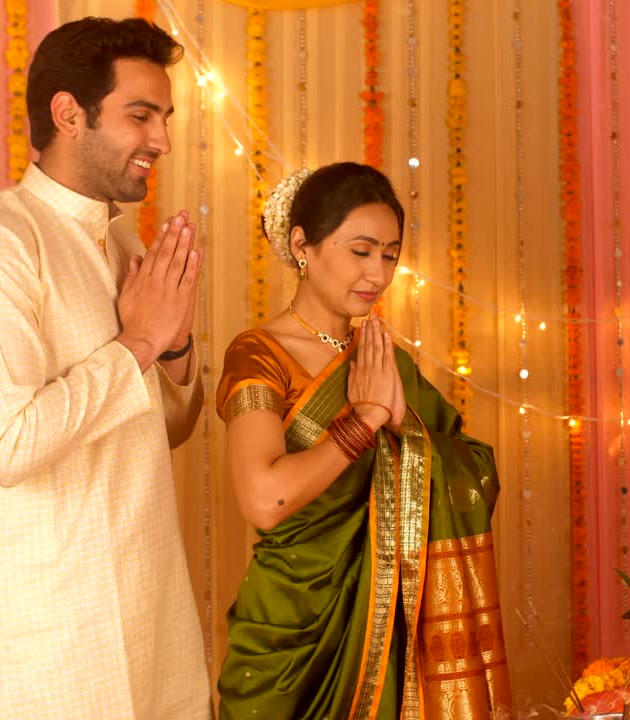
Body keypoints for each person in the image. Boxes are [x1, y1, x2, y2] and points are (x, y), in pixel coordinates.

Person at [0, 17, 211, 720]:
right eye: (140, 115)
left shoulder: (123, 246)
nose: (162, 140)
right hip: (42, 637)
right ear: (69, 113)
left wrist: (171, 346)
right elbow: (11, 445)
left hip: (149, 617)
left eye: (165, 118)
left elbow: (163, 429)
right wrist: (138, 344)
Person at [214, 162, 513, 719]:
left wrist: (404, 428)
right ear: (301, 245)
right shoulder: (257, 355)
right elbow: (264, 498)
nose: (377, 273)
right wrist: (366, 419)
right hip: (290, 635)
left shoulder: (383, 362)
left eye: (390, 255)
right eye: (361, 251)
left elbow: (476, 470)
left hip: (387, 634)